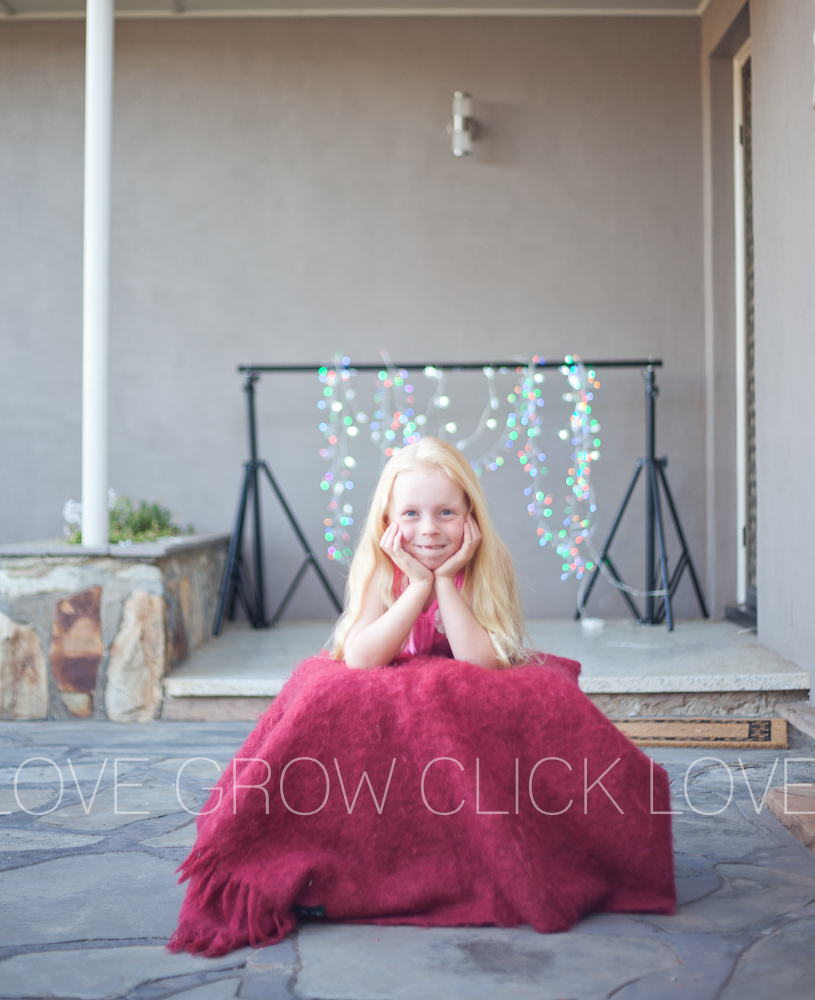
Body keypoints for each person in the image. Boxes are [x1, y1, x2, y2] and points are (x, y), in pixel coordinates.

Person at [332, 436, 527, 670]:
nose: (429, 530)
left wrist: (444, 580)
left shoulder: (487, 564)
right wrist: (419, 584)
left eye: (446, 512)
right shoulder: (381, 568)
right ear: (386, 522)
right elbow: (360, 661)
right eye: (411, 513)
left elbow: (484, 664)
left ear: (471, 515)